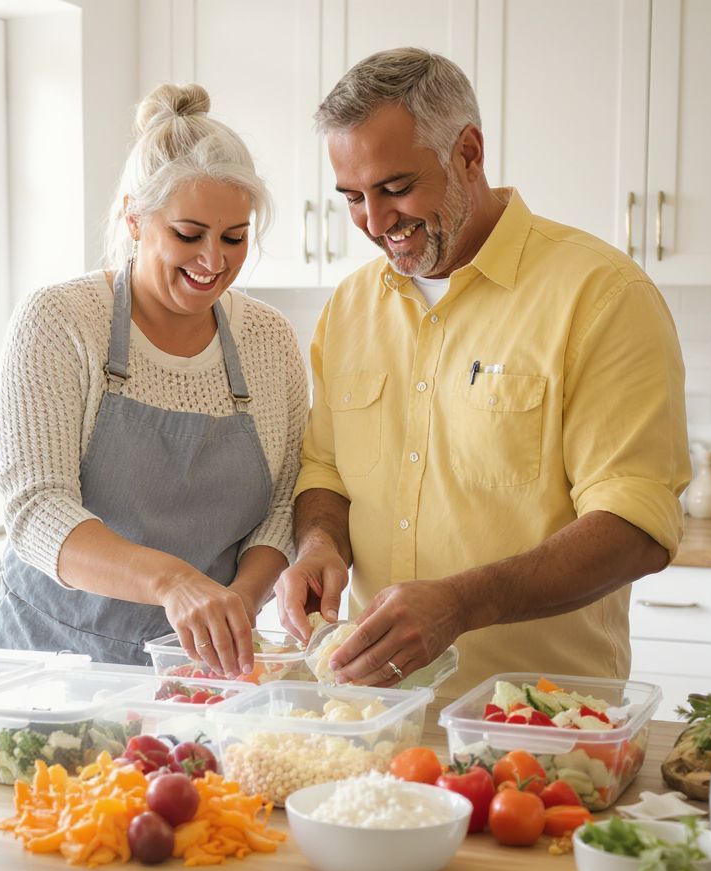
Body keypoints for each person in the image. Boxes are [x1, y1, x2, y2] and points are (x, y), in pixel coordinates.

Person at [276, 48, 690, 697]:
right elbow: (326, 472)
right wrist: (319, 545)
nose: (376, 223)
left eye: (395, 188)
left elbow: (636, 527)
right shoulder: (350, 308)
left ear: (468, 152)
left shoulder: (602, 295)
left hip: (543, 721)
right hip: (371, 717)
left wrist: (463, 603)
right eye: (353, 197)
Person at [0, 83, 308, 675]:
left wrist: (238, 601)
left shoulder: (270, 341)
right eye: (188, 235)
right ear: (135, 216)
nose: (214, 261)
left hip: (196, 672)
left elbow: (282, 507)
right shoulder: (60, 320)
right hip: (52, 663)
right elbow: (35, 509)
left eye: (235, 238)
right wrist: (174, 582)